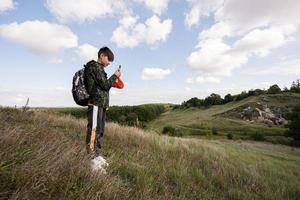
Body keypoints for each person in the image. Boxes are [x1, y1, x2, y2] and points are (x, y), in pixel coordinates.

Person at [84, 46, 121, 160]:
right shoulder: (94, 67)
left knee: (100, 130)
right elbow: (105, 85)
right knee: (94, 130)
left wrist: (113, 80)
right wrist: (115, 76)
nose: (109, 62)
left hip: (101, 104)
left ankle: (97, 155)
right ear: (102, 56)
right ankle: (90, 157)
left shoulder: (100, 68)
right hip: (95, 103)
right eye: (108, 59)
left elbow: (104, 87)